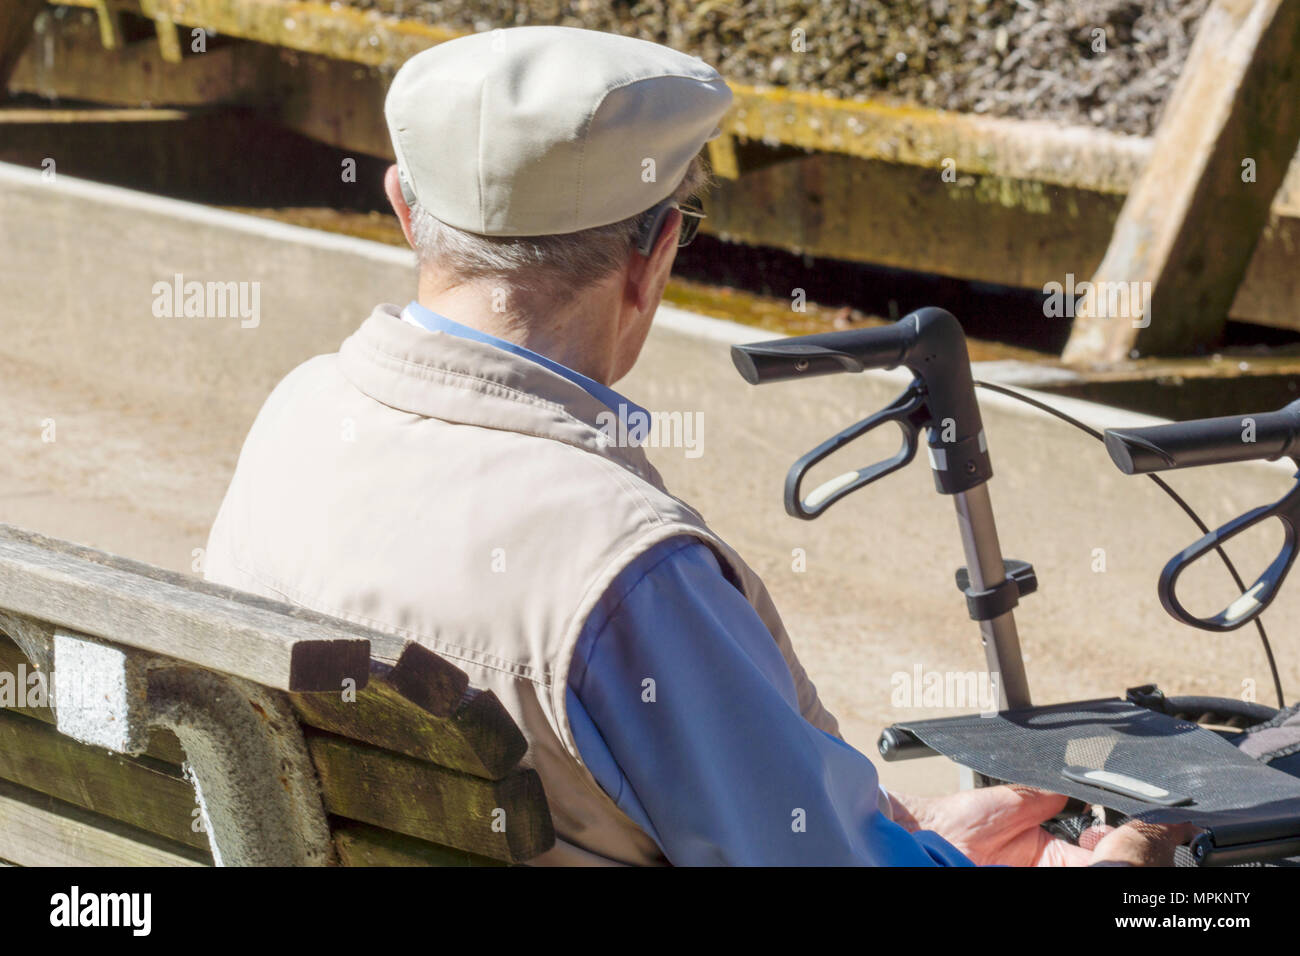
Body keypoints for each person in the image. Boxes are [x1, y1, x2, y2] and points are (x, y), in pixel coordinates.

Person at [204, 25, 1192, 865]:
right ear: (655, 253)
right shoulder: (625, 570)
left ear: (403, 208)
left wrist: (914, 840)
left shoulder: (295, 416)